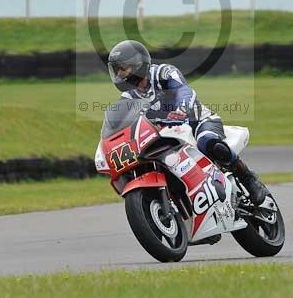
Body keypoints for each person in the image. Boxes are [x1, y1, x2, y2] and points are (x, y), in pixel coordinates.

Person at [107, 39, 267, 205]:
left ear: (137, 64)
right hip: (166, 133)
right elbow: (123, 124)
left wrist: (181, 109)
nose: (119, 75)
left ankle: (248, 178)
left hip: (198, 121)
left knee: (209, 142)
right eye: (116, 70)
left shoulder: (163, 73)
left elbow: (184, 91)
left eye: (122, 69)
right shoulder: (128, 97)